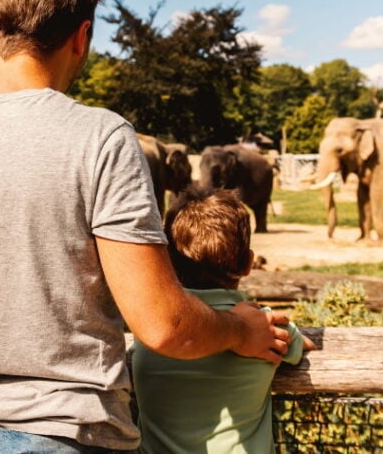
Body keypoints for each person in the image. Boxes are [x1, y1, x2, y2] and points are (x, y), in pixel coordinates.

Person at [0, 0, 291, 452]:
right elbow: (163, 325)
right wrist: (236, 331)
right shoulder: (101, 138)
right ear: (82, 36)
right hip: (65, 435)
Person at [132, 187, 316, 454]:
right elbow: (301, 345)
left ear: (169, 260)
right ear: (248, 264)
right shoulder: (265, 327)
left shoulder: (151, 326)